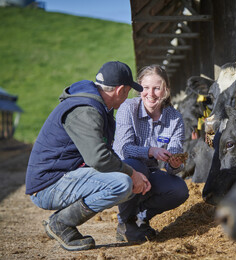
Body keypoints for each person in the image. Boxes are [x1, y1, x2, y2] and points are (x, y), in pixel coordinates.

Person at [25, 61, 151, 251]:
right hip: (48, 186)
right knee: (121, 183)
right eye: (128, 91)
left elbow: (104, 153)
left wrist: (130, 171)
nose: (127, 97)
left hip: (61, 177)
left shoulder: (96, 106)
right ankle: (61, 223)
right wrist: (132, 173)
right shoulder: (87, 110)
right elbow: (98, 158)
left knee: (123, 177)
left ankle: (63, 222)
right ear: (121, 90)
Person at [113, 64, 189, 243]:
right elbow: (123, 148)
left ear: (166, 90)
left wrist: (174, 163)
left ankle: (139, 218)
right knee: (136, 165)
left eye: (157, 88)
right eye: (146, 88)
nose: (151, 94)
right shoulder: (128, 109)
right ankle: (124, 221)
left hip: (152, 173)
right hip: (125, 170)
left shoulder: (175, 119)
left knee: (179, 190)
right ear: (139, 88)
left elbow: (172, 165)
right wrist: (151, 151)